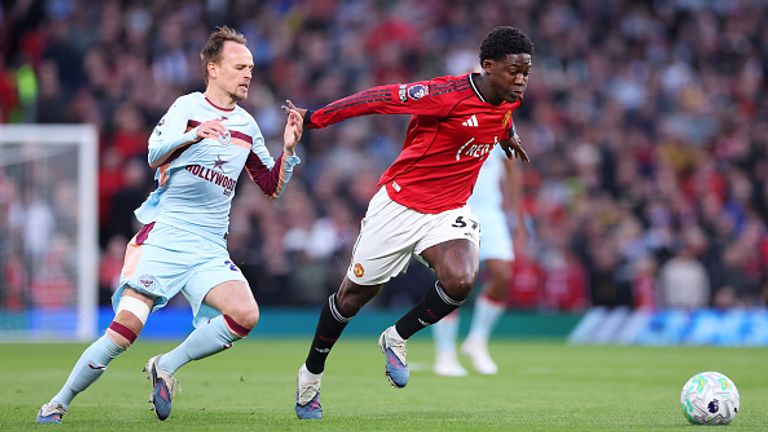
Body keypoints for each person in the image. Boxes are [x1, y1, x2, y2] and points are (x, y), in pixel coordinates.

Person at [36, 26, 304, 424]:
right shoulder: (186, 107)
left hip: (210, 246)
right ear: (213, 68)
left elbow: (270, 186)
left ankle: (165, 365)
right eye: (239, 66)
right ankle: (57, 402)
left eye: (250, 67)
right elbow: (152, 153)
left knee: (245, 315)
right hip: (166, 235)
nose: (248, 74)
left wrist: (288, 149)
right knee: (124, 331)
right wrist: (194, 135)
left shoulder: (247, 126)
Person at [286, 26, 534, 420]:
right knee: (352, 298)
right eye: (513, 72)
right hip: (400, 205)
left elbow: (498, 118)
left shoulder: (508, 99)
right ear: (488, 66)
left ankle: (396, 336)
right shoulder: (445, 94)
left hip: (449, 209)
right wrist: (313, 118)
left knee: (462, 279)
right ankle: (310, 376)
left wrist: (508, 135)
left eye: (526, 72)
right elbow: (378, 99)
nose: (521, 80)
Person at [431, 144, 526, 377]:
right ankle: (445, 353)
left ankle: (477, 340)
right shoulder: (454, 124)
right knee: (454, 282)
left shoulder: (500, 130)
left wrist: (519, 220)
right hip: (454, 211)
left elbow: (513, 171)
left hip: (491, 214)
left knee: (502, 274)